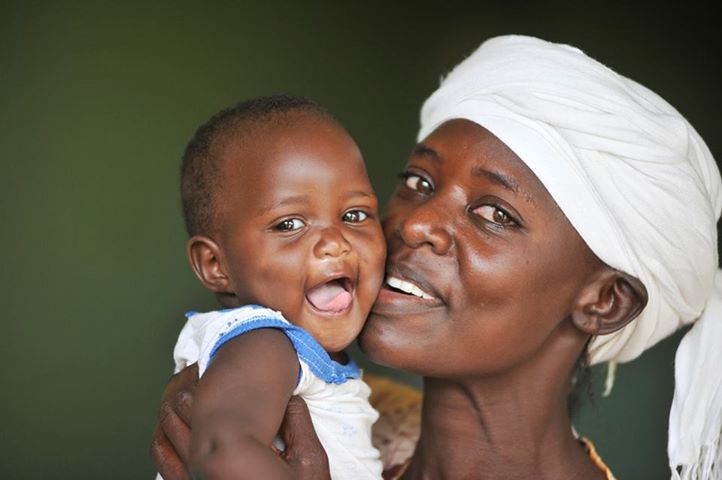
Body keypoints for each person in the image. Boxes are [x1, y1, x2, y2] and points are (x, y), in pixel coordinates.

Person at [150, 35, 722, 479]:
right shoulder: (320, 411)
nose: (415, 223)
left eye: (495, 214)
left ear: (603, 300)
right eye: (419, 181)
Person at [160, 95, 387, 479]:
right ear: (217, 265)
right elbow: (222, 449)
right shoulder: (264, 342)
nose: (335, 241)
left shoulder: (293, 354)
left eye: (354, 215)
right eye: (288, 224)